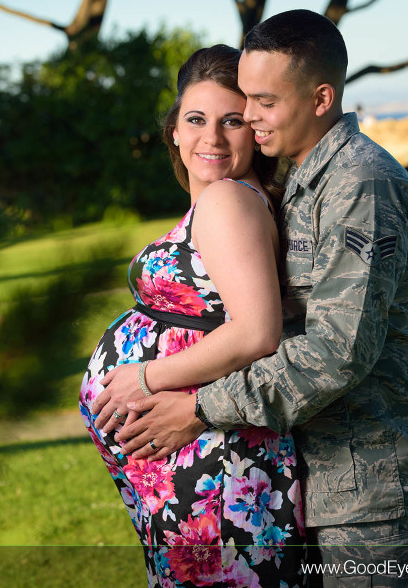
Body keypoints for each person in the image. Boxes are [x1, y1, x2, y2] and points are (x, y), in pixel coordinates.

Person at [117, 10, 408, 588]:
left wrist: (198, 407)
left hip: (372, 487)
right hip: (318, 475)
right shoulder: (305, 181)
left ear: (322, 97)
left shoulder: (361, 186)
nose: (248, 117)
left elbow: (336, 350)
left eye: (263, 102)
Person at [78, 44, 306, 588]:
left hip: (216, 464)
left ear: (255, 132)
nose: (213, 137)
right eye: (196, 119)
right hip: (194, 464)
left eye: (233, 121)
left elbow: (256, 331)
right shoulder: (221, 201)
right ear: (174, 131)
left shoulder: (228, 201)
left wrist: (145, 376)